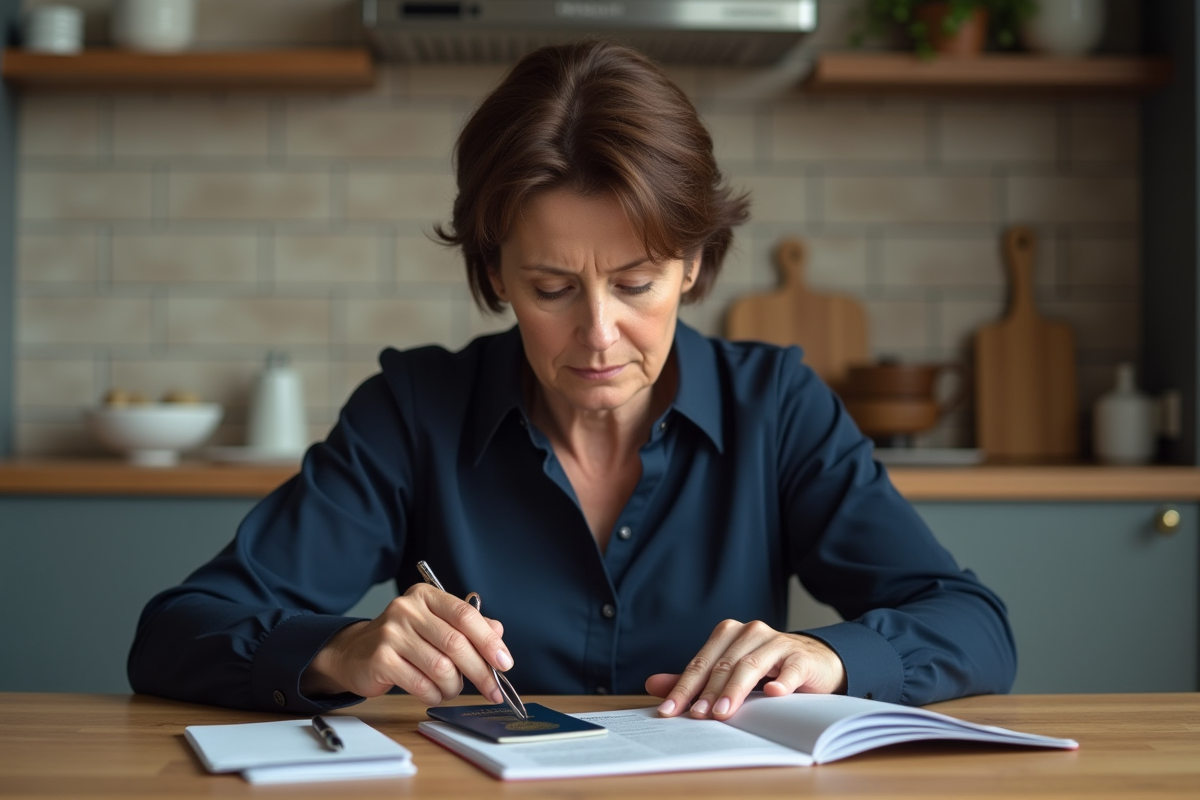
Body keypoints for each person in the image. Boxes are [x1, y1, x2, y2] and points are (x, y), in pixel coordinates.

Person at [128, 39, 1015, 721]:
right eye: (552, 289)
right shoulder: (413, 413)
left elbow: (973, 624)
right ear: (496, 275)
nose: (598, 334)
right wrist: (343, 650)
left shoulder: (775, 407)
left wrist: (833, 660)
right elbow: (175, 633)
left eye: (636, 284)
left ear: (695, 266)